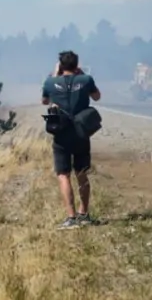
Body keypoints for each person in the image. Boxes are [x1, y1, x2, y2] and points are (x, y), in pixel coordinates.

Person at [42, 50, 101, 229]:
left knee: (63, 175)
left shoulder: (50, 82)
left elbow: (44, 101)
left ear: (60, 65)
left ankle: (71, 217)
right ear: (77, 65)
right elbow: (97, 96)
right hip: (82, 132)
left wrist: (54, 75)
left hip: (61, 133)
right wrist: (80, 74)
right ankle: (84, 213)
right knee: (81, 173)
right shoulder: (86, 80)